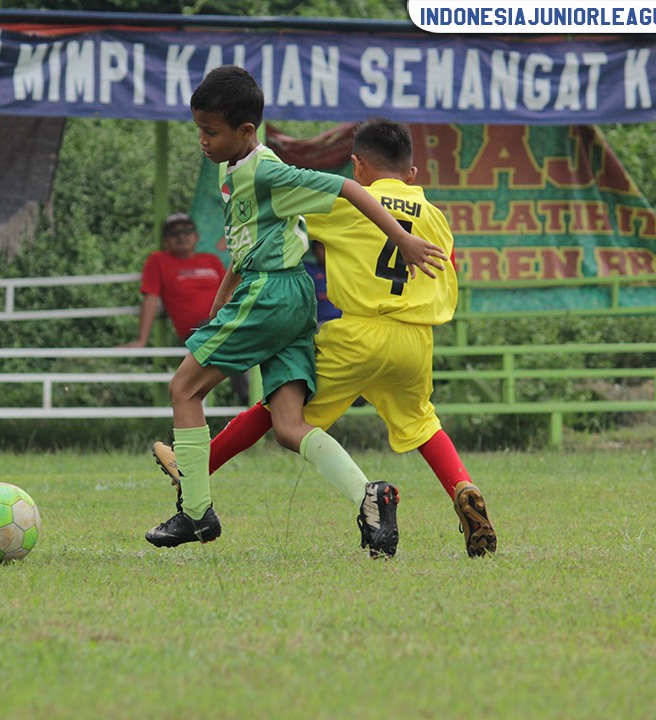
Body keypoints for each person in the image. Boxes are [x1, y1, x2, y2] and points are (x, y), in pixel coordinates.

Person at [152, 118, 498, 558]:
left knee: (282, 408)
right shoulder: (435, 217)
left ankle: (195, 468)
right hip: (415, 339)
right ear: (412, 173)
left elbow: (279, 228)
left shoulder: (348, 204)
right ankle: (462, 485)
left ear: (357, 165)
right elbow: (446, 270)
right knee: (423, 423)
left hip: (358, 334)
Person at [121, 212, 249, 405]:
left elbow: (231, 291)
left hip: (226, 320)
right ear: (166, 240)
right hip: (200, 329)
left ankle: (262, 400)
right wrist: (142, 340)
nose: (181, 236)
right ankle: (249, 399)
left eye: (187, 231)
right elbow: (150, 299)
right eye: (174, 233)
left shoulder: (211, 260)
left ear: (196, 236)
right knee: (229, 338)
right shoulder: (158, 261)